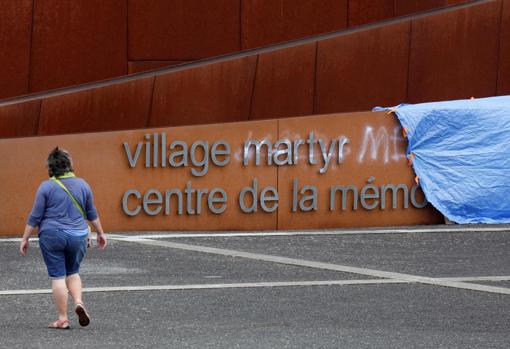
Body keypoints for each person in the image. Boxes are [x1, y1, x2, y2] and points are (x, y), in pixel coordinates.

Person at [19, 147, 107, 329]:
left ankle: (62, 318)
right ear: (69, 165)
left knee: (58, 276)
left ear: (50, 167)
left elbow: (35, 216)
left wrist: (25, 238)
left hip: (52, 235)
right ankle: (79, 302)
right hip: (78, 235)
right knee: (73, 272)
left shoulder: (46, 187)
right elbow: (91, 213)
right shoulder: (83, 184)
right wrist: (100, 232)